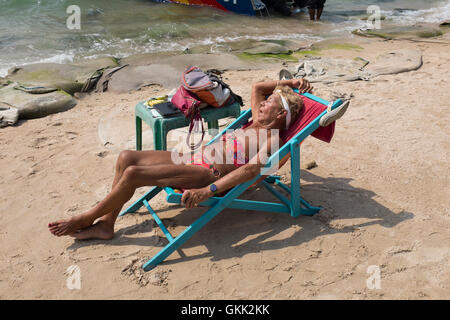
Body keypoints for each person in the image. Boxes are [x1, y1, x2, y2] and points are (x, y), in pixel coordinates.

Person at [48, 78, 314, 240]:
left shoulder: (274, 140)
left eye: (270, 103)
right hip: (191, 158)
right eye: (266, 101)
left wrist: (207, 190)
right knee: (126, 157)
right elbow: (257, 87)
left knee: (132, 174)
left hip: (208, 174)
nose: (263, 102)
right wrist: (291, 84)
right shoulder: (257, 120)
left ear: (280, 115)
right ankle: (106, 224)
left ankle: (88, 217)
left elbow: (252, 171)